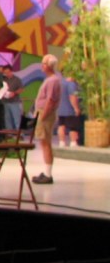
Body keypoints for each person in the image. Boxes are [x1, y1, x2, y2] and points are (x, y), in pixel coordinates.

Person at [33, 54, 63, 184]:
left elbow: (50, 100)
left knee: (45, 142)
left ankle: (48, 174)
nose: (42, 66)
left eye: (43, 63)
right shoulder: (51, 79)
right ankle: (46, 172)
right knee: (43, 142)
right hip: (42, 113)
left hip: (45, 114)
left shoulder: (53, 80)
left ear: (48, 66)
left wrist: (43, 116)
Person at [57, 72, 82, 147]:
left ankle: (61, 142)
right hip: (70, 110)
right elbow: (72, 96)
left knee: (61, 125)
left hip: (60, 109)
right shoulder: (71, 83)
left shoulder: (60, 82)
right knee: (73, 127)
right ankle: (73, 142)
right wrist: (76, 108)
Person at [1, 63, 24, 132]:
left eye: (8, 72)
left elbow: (21, 89)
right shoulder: (3, 80)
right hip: (5, 102)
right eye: (5, 73)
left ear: (11, 71)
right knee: (7, 119)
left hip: (14, 102)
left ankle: (19, 133)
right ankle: (9, 133)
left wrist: (14, 93)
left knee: (16, 119)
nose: (6, 74)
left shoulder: (17, 79)